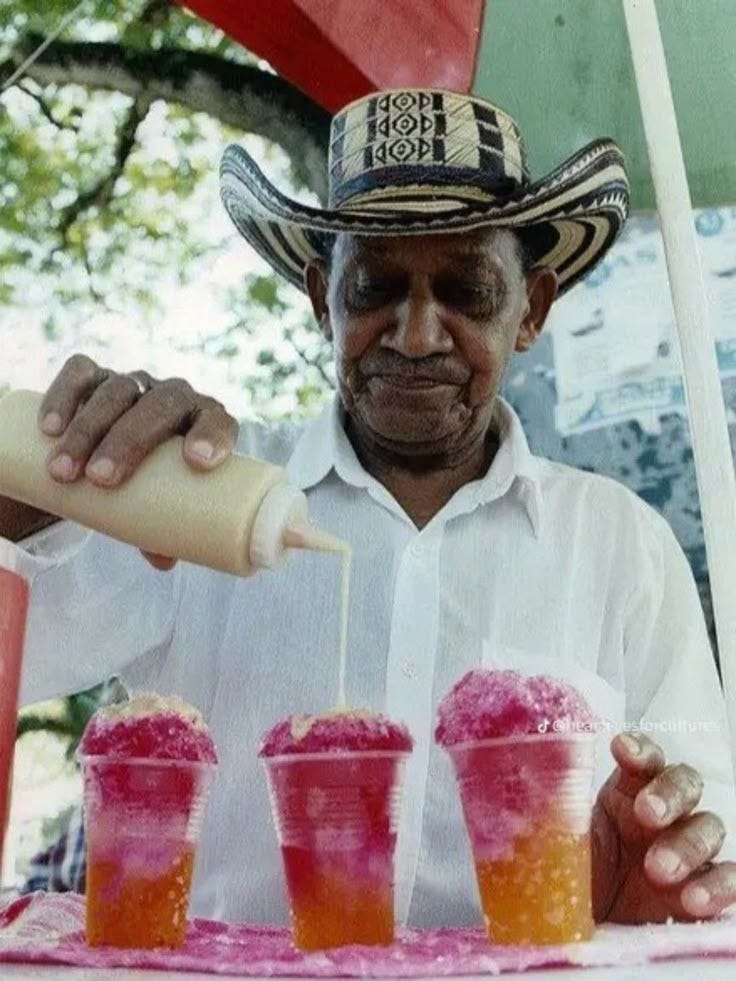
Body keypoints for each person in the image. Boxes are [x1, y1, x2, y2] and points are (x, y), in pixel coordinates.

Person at [3, 89, 735, 927]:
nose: (418, 334)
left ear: (531, 308)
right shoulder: (191, 504)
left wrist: (663, 873)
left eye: (467, 291)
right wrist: (31, 497)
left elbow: (704, 825)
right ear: (322, 299)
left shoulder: (619, 545)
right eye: (374, 289)